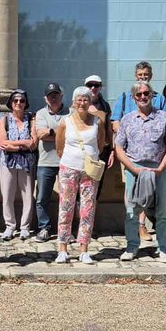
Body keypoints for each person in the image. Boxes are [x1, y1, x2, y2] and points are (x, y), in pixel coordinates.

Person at [114, 80, 166, 263]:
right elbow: (119, 148)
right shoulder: (127, 120)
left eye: (146, 93)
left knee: (162, 211)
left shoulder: (164, 118)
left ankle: (164, 249)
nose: (143, 97)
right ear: (134, 98)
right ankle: (132, 246)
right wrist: (132, 168)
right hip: (134, 169)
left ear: (151, 95)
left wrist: (160, 168)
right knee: (132, 210)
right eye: (139, 94)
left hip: (159, 169)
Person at [54, 86, 106, 264]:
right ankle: (63, 247)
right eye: (79, 99)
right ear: (73, 102)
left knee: (87, 209)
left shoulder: (97, 122)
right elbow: (59, 146)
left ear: (90, 102)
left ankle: (84, 248)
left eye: (85, 99)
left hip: (89, 170)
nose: (82, 102)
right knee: (66, 207)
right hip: (69, 167)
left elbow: (101, 143)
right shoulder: (65, 121)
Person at [0, 89, 36, 240]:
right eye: (15, 101)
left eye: (22, 101)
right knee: (7, 195)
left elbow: (33, 142)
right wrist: (23, 145)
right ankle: (10, 226)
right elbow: (2, 142)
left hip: (27, 163)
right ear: (11, 103)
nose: (19, 103)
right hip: (8, 163)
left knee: (27, 196)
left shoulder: (31, 118)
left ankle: (25, 227)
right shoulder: (4, 120)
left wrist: (15, 146)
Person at [33, 83, 68, 242]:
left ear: (61, 95)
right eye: (50, 95)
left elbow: (74, 133)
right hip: (45, 161)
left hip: (66, 161)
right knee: (42, 197)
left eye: (56, 94)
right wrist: (61, 132)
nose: (53, 98)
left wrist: (51, 132)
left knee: (67, 197)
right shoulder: (40, 114)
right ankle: (44, 228)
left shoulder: (71, 113)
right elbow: (40, 134)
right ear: (45, 99)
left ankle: (65, 228)